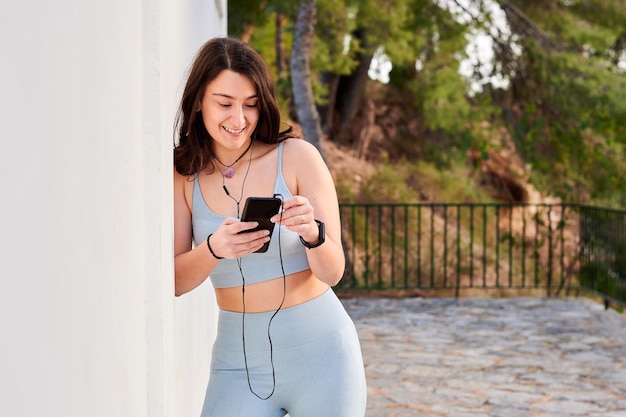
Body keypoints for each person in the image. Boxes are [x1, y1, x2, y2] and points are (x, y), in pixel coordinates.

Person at [173, 37, 367, 417]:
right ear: (198, 101)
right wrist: (214, 248)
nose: (238, 119)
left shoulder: (297, 157)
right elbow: (174, 281)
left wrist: (313, 232)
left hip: (323, 356)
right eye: (224, 103)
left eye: (250, 105)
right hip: (237, 364)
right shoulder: (184, 176)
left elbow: (334, 272)